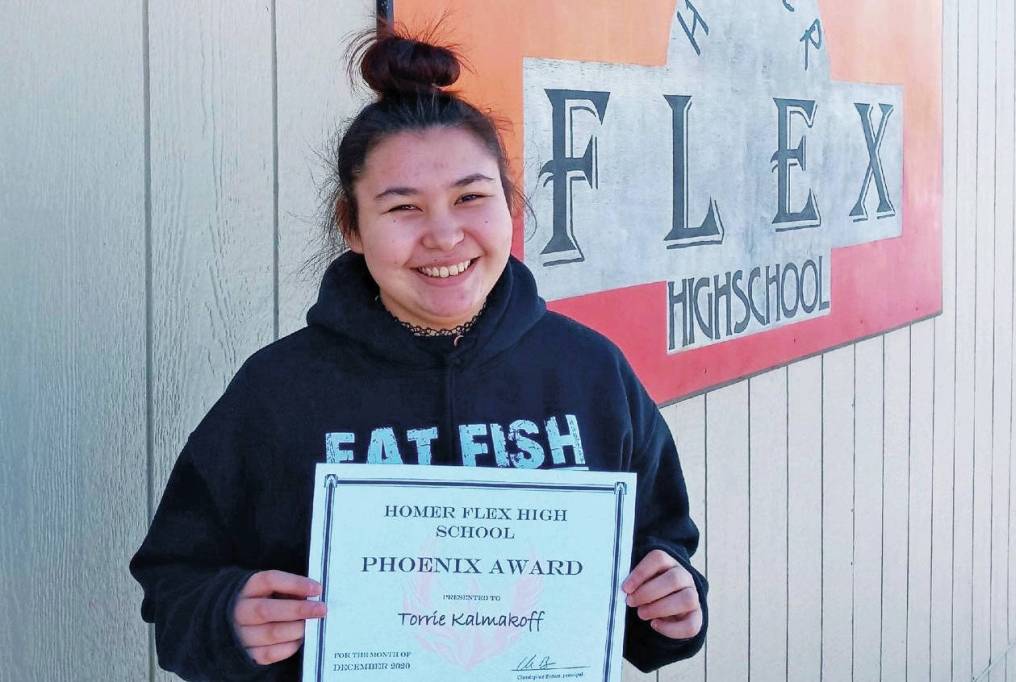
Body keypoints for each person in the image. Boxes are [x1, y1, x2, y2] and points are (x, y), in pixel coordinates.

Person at [130, 26, 708, 682]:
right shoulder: (278, 392)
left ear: (511, 205)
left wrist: (673, 610)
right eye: (403, 207)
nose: (443, 235)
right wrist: (227, 619)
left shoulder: (590, 373)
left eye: (470, 198)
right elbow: (174, 586)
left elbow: (658, 561)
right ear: (353, 227)